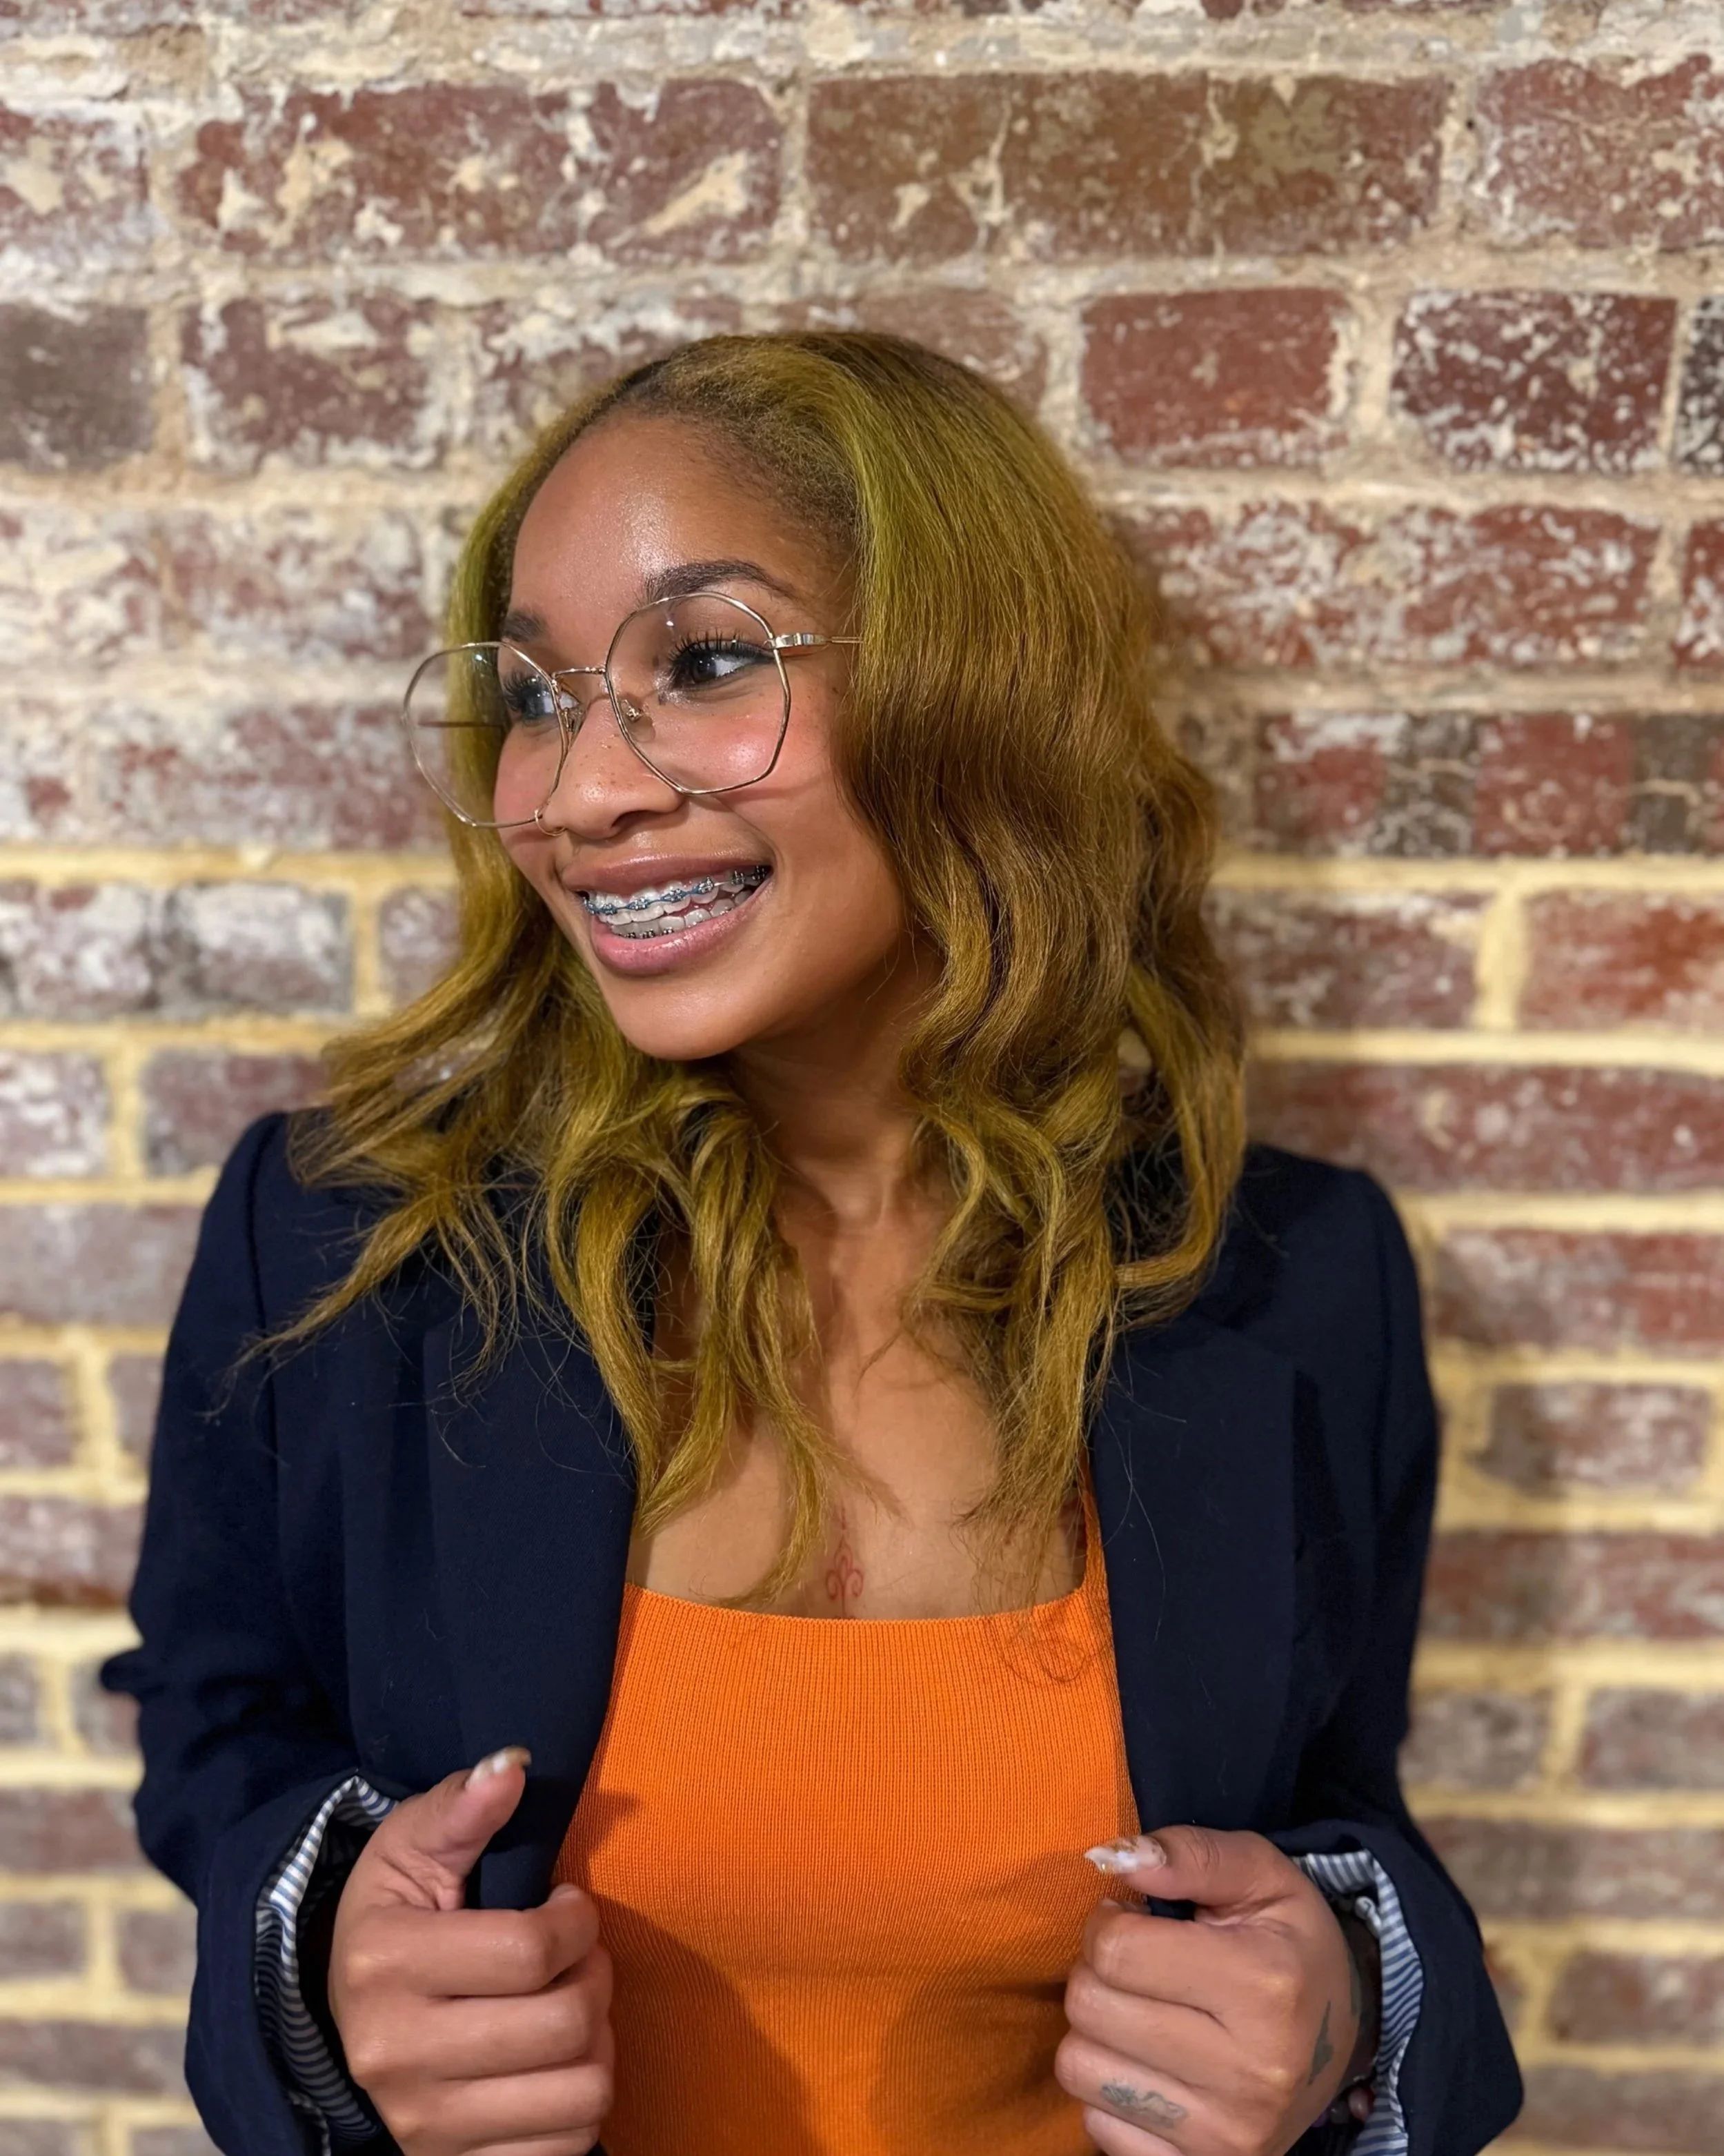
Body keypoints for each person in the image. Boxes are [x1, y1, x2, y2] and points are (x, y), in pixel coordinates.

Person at [103, 332, 1521, 2156]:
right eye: (535, 699)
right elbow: (214, 1723)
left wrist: (1348, 1990)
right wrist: (323, 1970)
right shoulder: (351, 1244)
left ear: (978, 690)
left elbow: (1343, 1813)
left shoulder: (1297, 1280)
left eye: (701, 664)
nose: (577, 794)